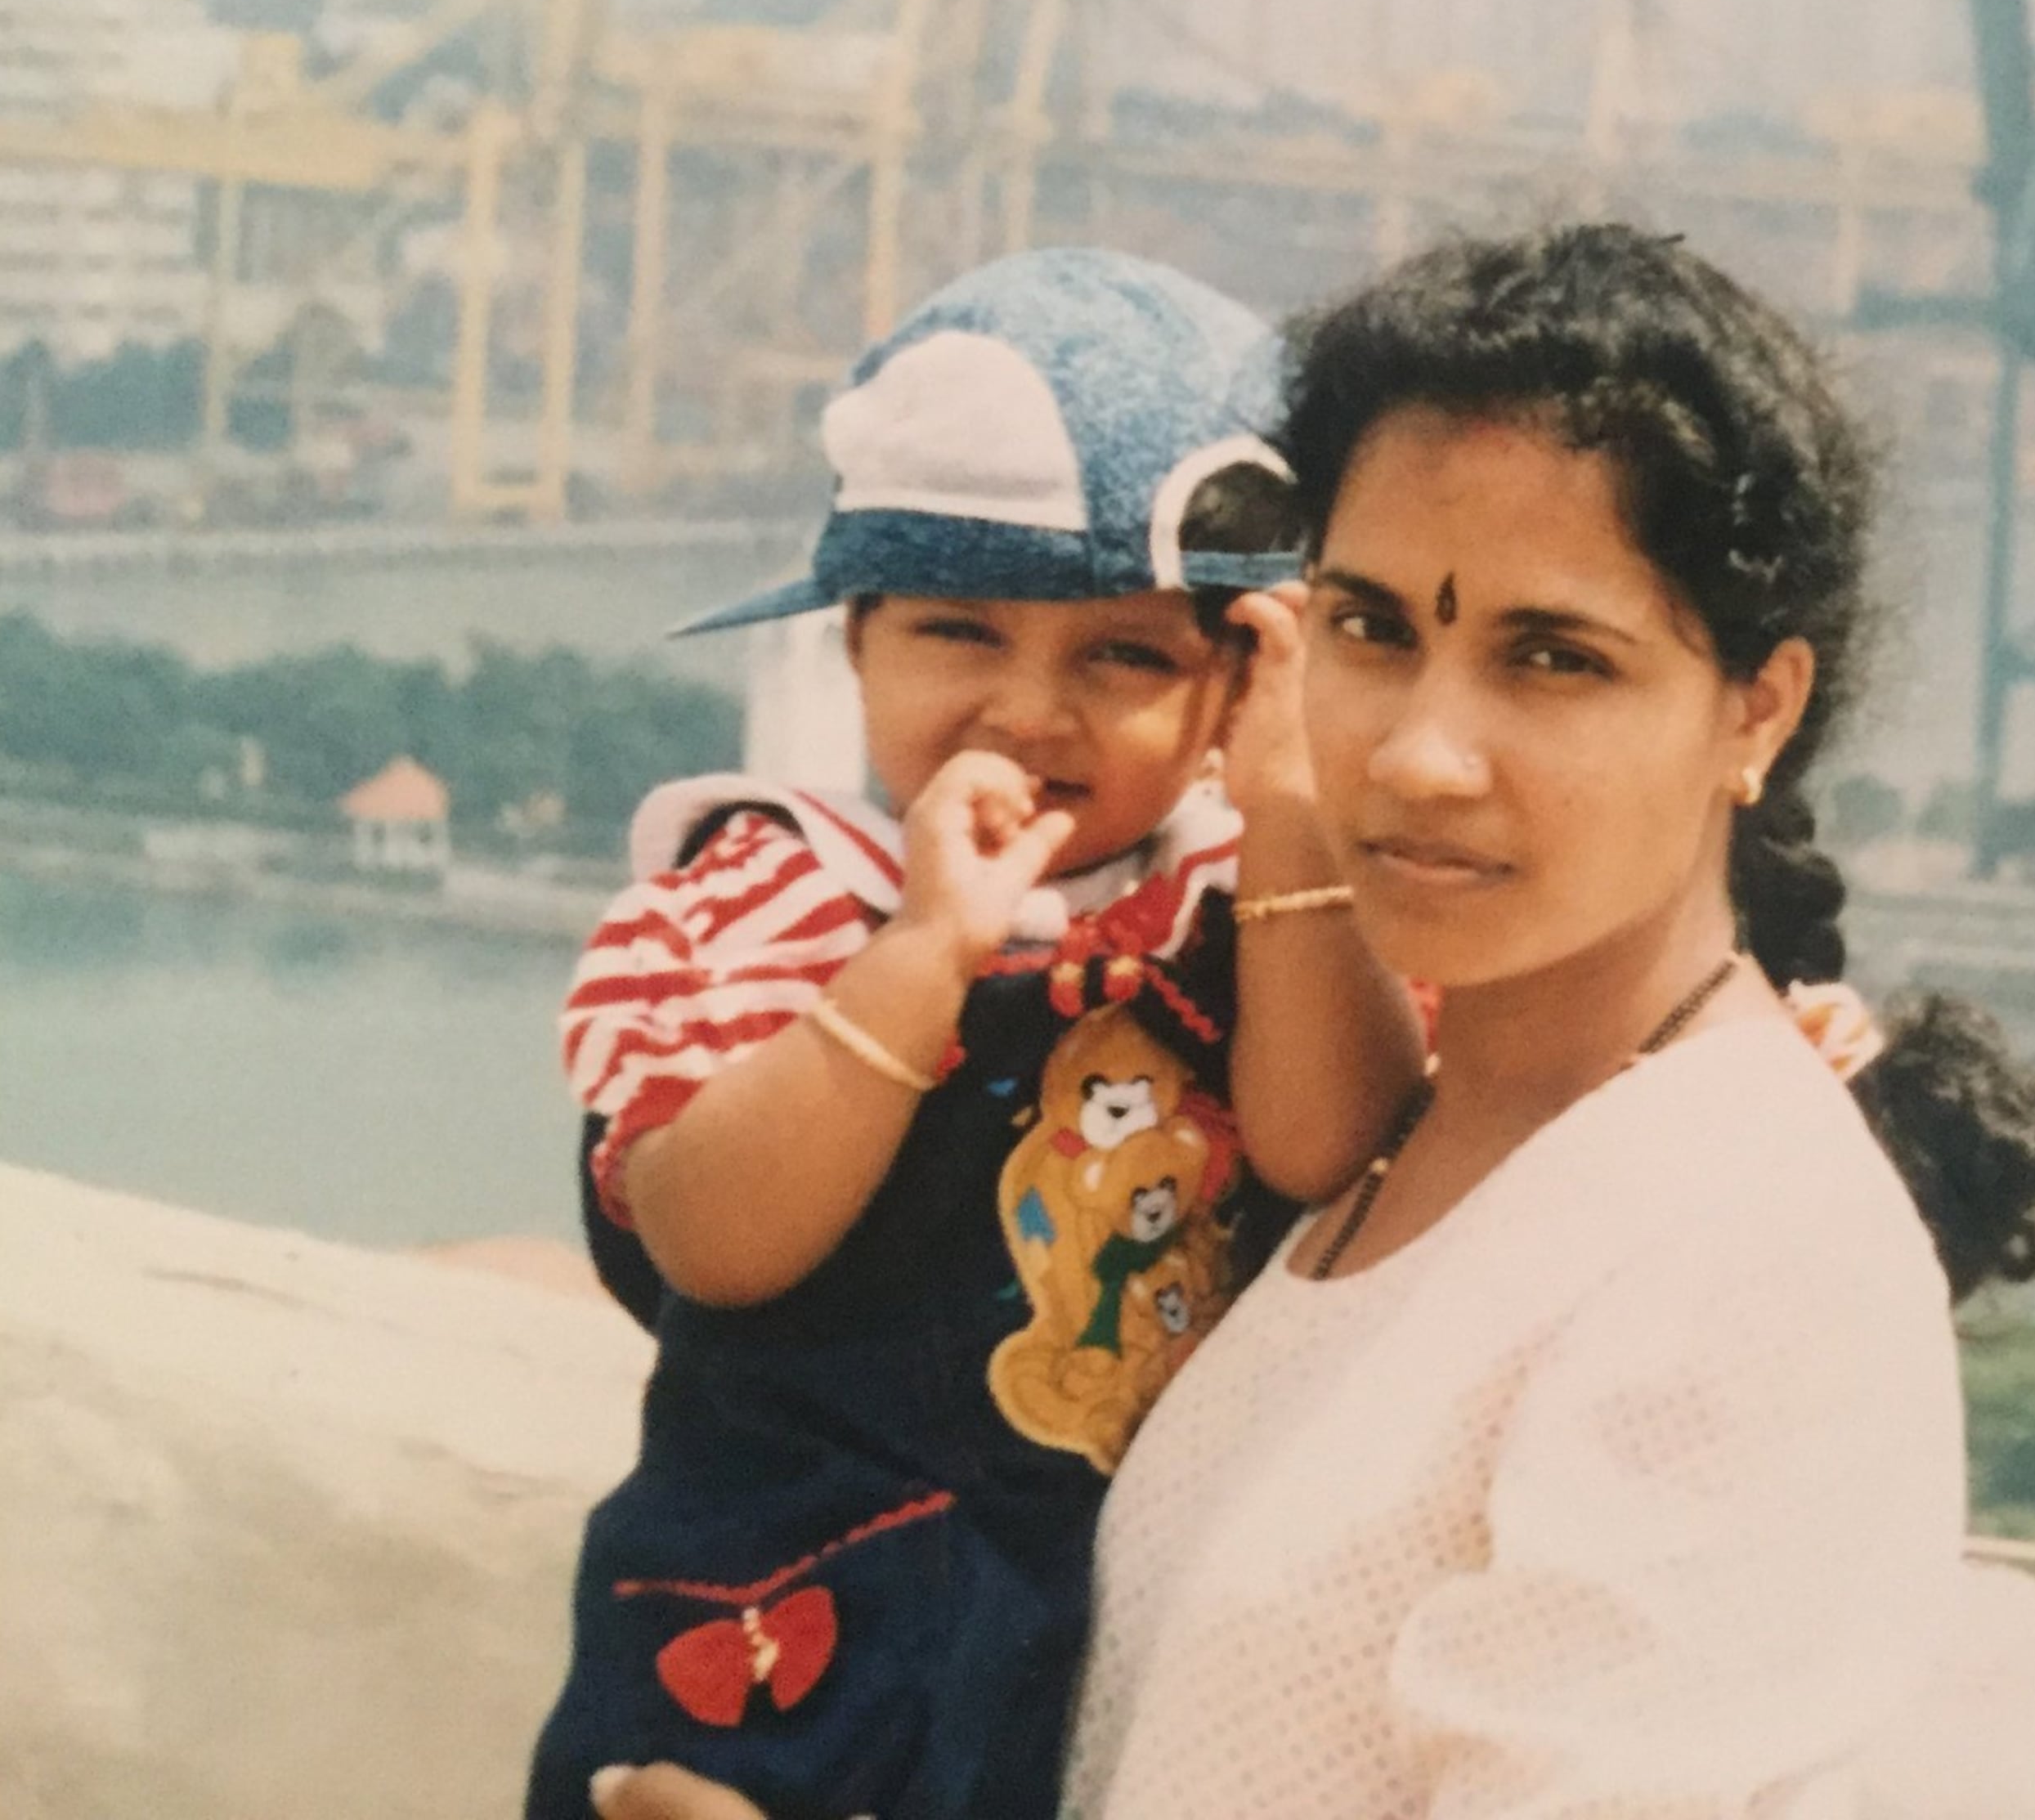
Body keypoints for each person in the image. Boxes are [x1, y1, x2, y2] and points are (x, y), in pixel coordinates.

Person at [1060, 223, 2035, 1818]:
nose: (1419, 757)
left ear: (1759, 707)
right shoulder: (1420, 1130)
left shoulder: (1743, 1264)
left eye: (1552, 658)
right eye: (1374, 627)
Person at [530, 248, 1420, 1820]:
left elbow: (1326, 1147)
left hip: (1114, 1647)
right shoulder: (774, 898)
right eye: (958, 633)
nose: (1031, 706)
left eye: (1125, 655)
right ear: (853, 645)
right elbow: (710, 1243)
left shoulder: (1255, 905)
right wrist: (925, 950)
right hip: (783, 1640)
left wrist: (1291, 817)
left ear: (1232, 689)